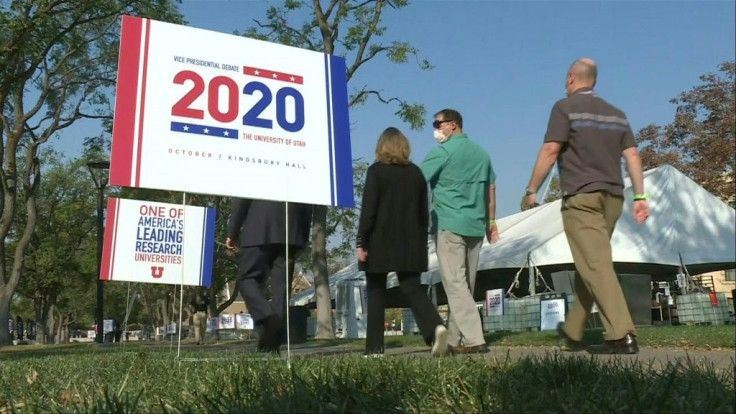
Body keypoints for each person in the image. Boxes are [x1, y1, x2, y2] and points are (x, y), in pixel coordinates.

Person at [524, 58, 649, 354]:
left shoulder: (564, 108)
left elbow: (551, 149)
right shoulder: (617, 114)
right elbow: (632, 156)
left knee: (595, 265)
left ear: (570, 79)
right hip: (614, 199)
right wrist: (641, 197)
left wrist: (532, 189)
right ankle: (572, 331)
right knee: (591, 264)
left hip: (582, 197)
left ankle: (622, 334)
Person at [357, 127, 449, 357]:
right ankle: (435, 326)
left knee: (376, 291)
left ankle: (375, 349)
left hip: (380, 240)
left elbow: (369, 210)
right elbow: (423, 212)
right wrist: (421, 239)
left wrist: (362, 241)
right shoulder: (416, 173)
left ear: (381, 146)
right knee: (412, 288)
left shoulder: (376, 172)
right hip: (411, 242)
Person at [421, 109, 499, 355]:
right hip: (476, 226)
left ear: (453, 125)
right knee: (464, 286)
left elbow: (415, 181)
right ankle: (454, 342)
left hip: (449, 225)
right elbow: (491, 190)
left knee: (455, 284)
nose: (435, 129)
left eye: (438, 124)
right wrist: (491, 222)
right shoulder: (481, 153)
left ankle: (475, 338)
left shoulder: (442, 153)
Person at [226, 199, 312, 354]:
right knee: (282, 288)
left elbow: (242, 197)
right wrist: (303, 235)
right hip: (292, 228)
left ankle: (267, 317)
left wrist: (233, 231)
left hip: (259, 226)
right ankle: (271, 346)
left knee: (247, 278)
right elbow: (307, 199)